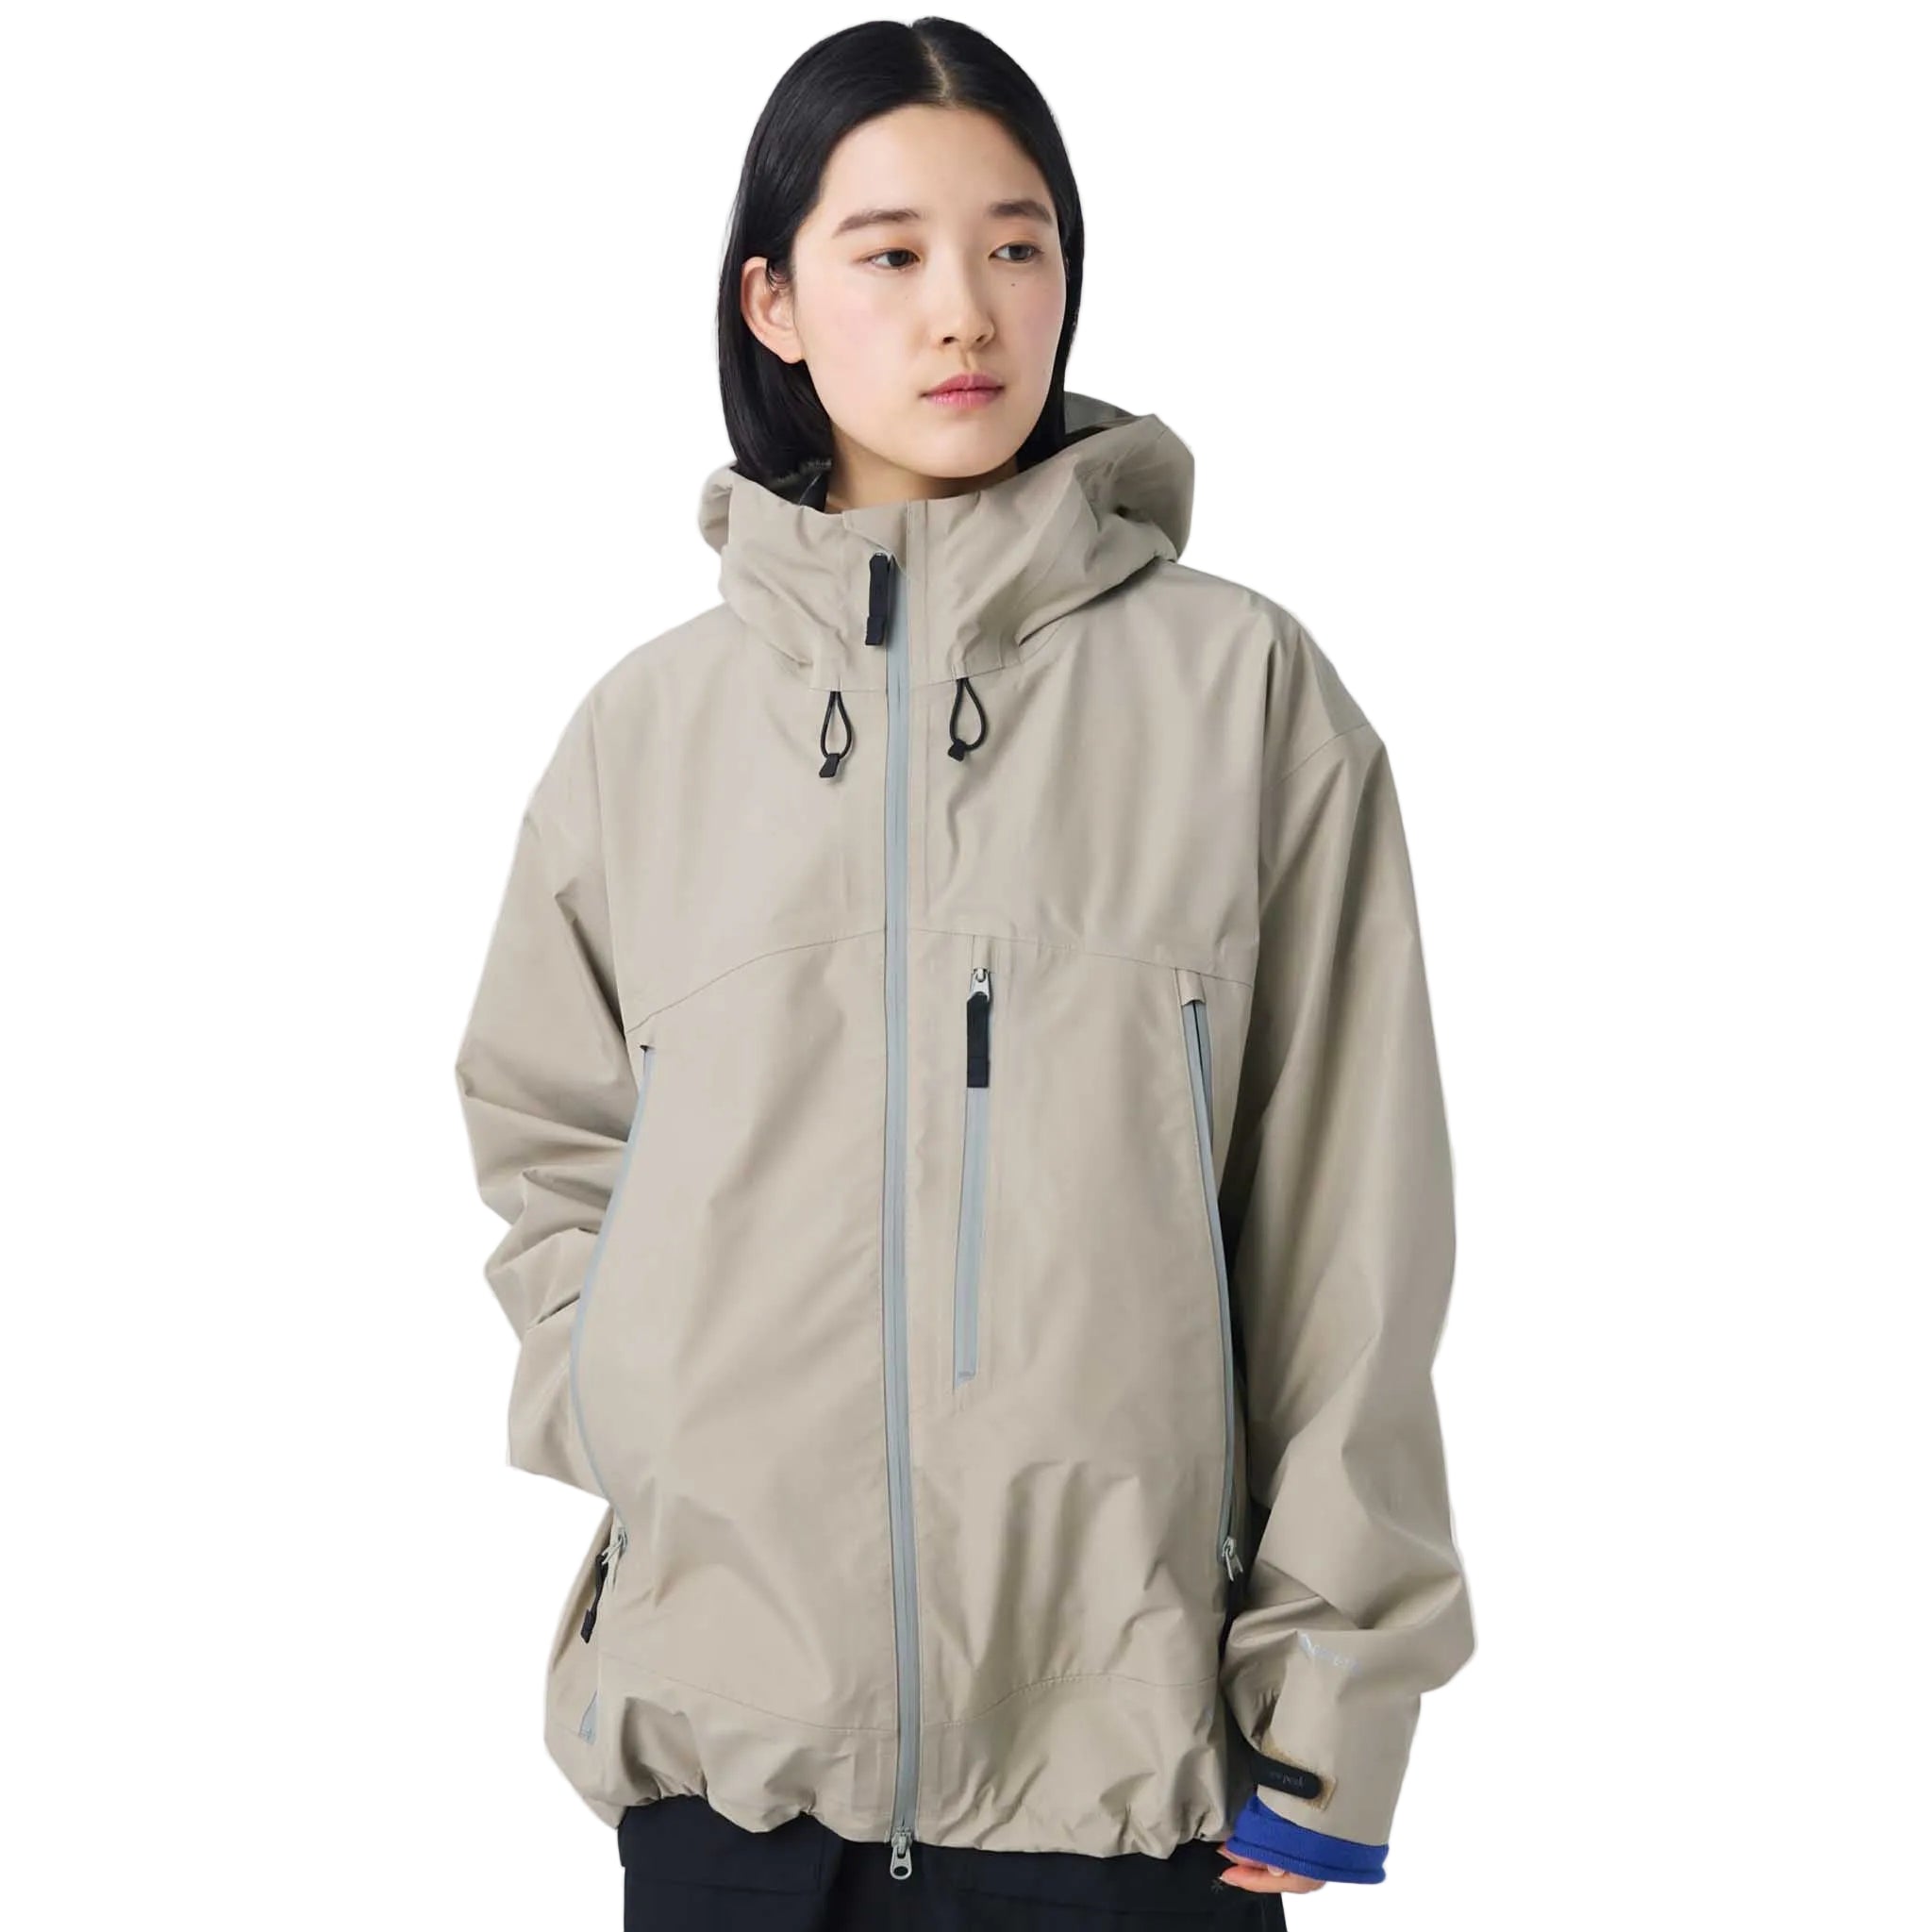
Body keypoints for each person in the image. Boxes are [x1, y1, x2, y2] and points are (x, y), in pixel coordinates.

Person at [453, 16, 1474, 1925]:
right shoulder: (647, 736)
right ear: (772, 302)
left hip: (1134, 1789)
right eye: (892, 252)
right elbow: (548, 1137)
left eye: (1017, 246)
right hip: (735, 1787)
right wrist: (636, 1398)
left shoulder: (1240, 697)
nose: (966, 311)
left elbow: (1355, 1229)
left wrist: (1334, 1704)